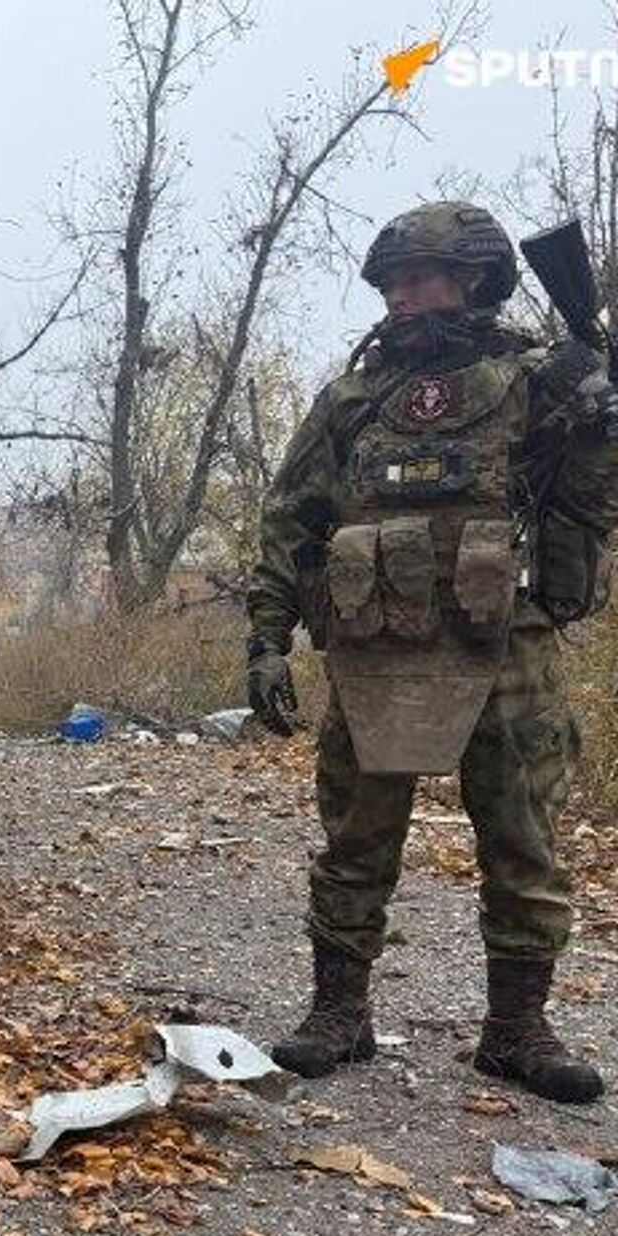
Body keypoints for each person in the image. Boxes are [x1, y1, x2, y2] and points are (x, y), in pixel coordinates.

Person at [246, 201, 618, 1104]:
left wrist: (600, 416)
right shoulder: (352, 399)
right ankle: (340, 1011)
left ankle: (516, 1029)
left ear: (474, 280)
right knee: (356, 836)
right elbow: (292, 518)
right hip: (376, 647)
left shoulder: (537, 381)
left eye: (421, 278)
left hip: (505, 646)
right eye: (393, 282)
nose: (403, 296)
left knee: (523, 837)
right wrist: (266, 638)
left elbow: (589, 505)